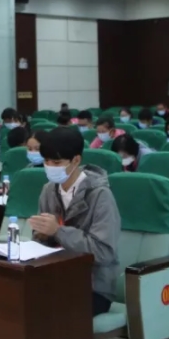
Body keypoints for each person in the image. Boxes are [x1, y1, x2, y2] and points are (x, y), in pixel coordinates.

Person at [29, 127, 121, 317]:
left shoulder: (100, 195)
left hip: (93, 285)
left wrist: (58, 231)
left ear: (76, 160)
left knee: (48, 311)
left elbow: (103, 252)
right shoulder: (48, 190)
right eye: (46, 161)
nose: (50, 167)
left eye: (56, 162)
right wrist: (41, 235)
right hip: (56, 276)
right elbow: (43, 241)